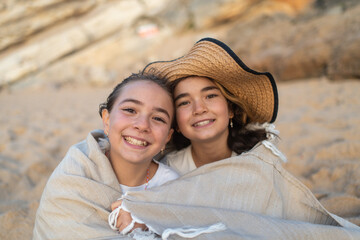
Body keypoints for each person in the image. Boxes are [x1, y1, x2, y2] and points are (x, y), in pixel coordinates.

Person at [108, 38, 360, 239]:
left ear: (230, 109)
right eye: (184, 102)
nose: (199, 108)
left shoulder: (258, 162)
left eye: (210, 96)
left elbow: (281, 211)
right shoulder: (171, 170)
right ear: (177, 124)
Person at [33, 73, 179, 239]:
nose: (142, 125)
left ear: (167, 137)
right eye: (130, 110)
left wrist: (148, 222)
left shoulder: (170, 184)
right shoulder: (75, 171)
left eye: (158, 118)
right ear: (107, 120)